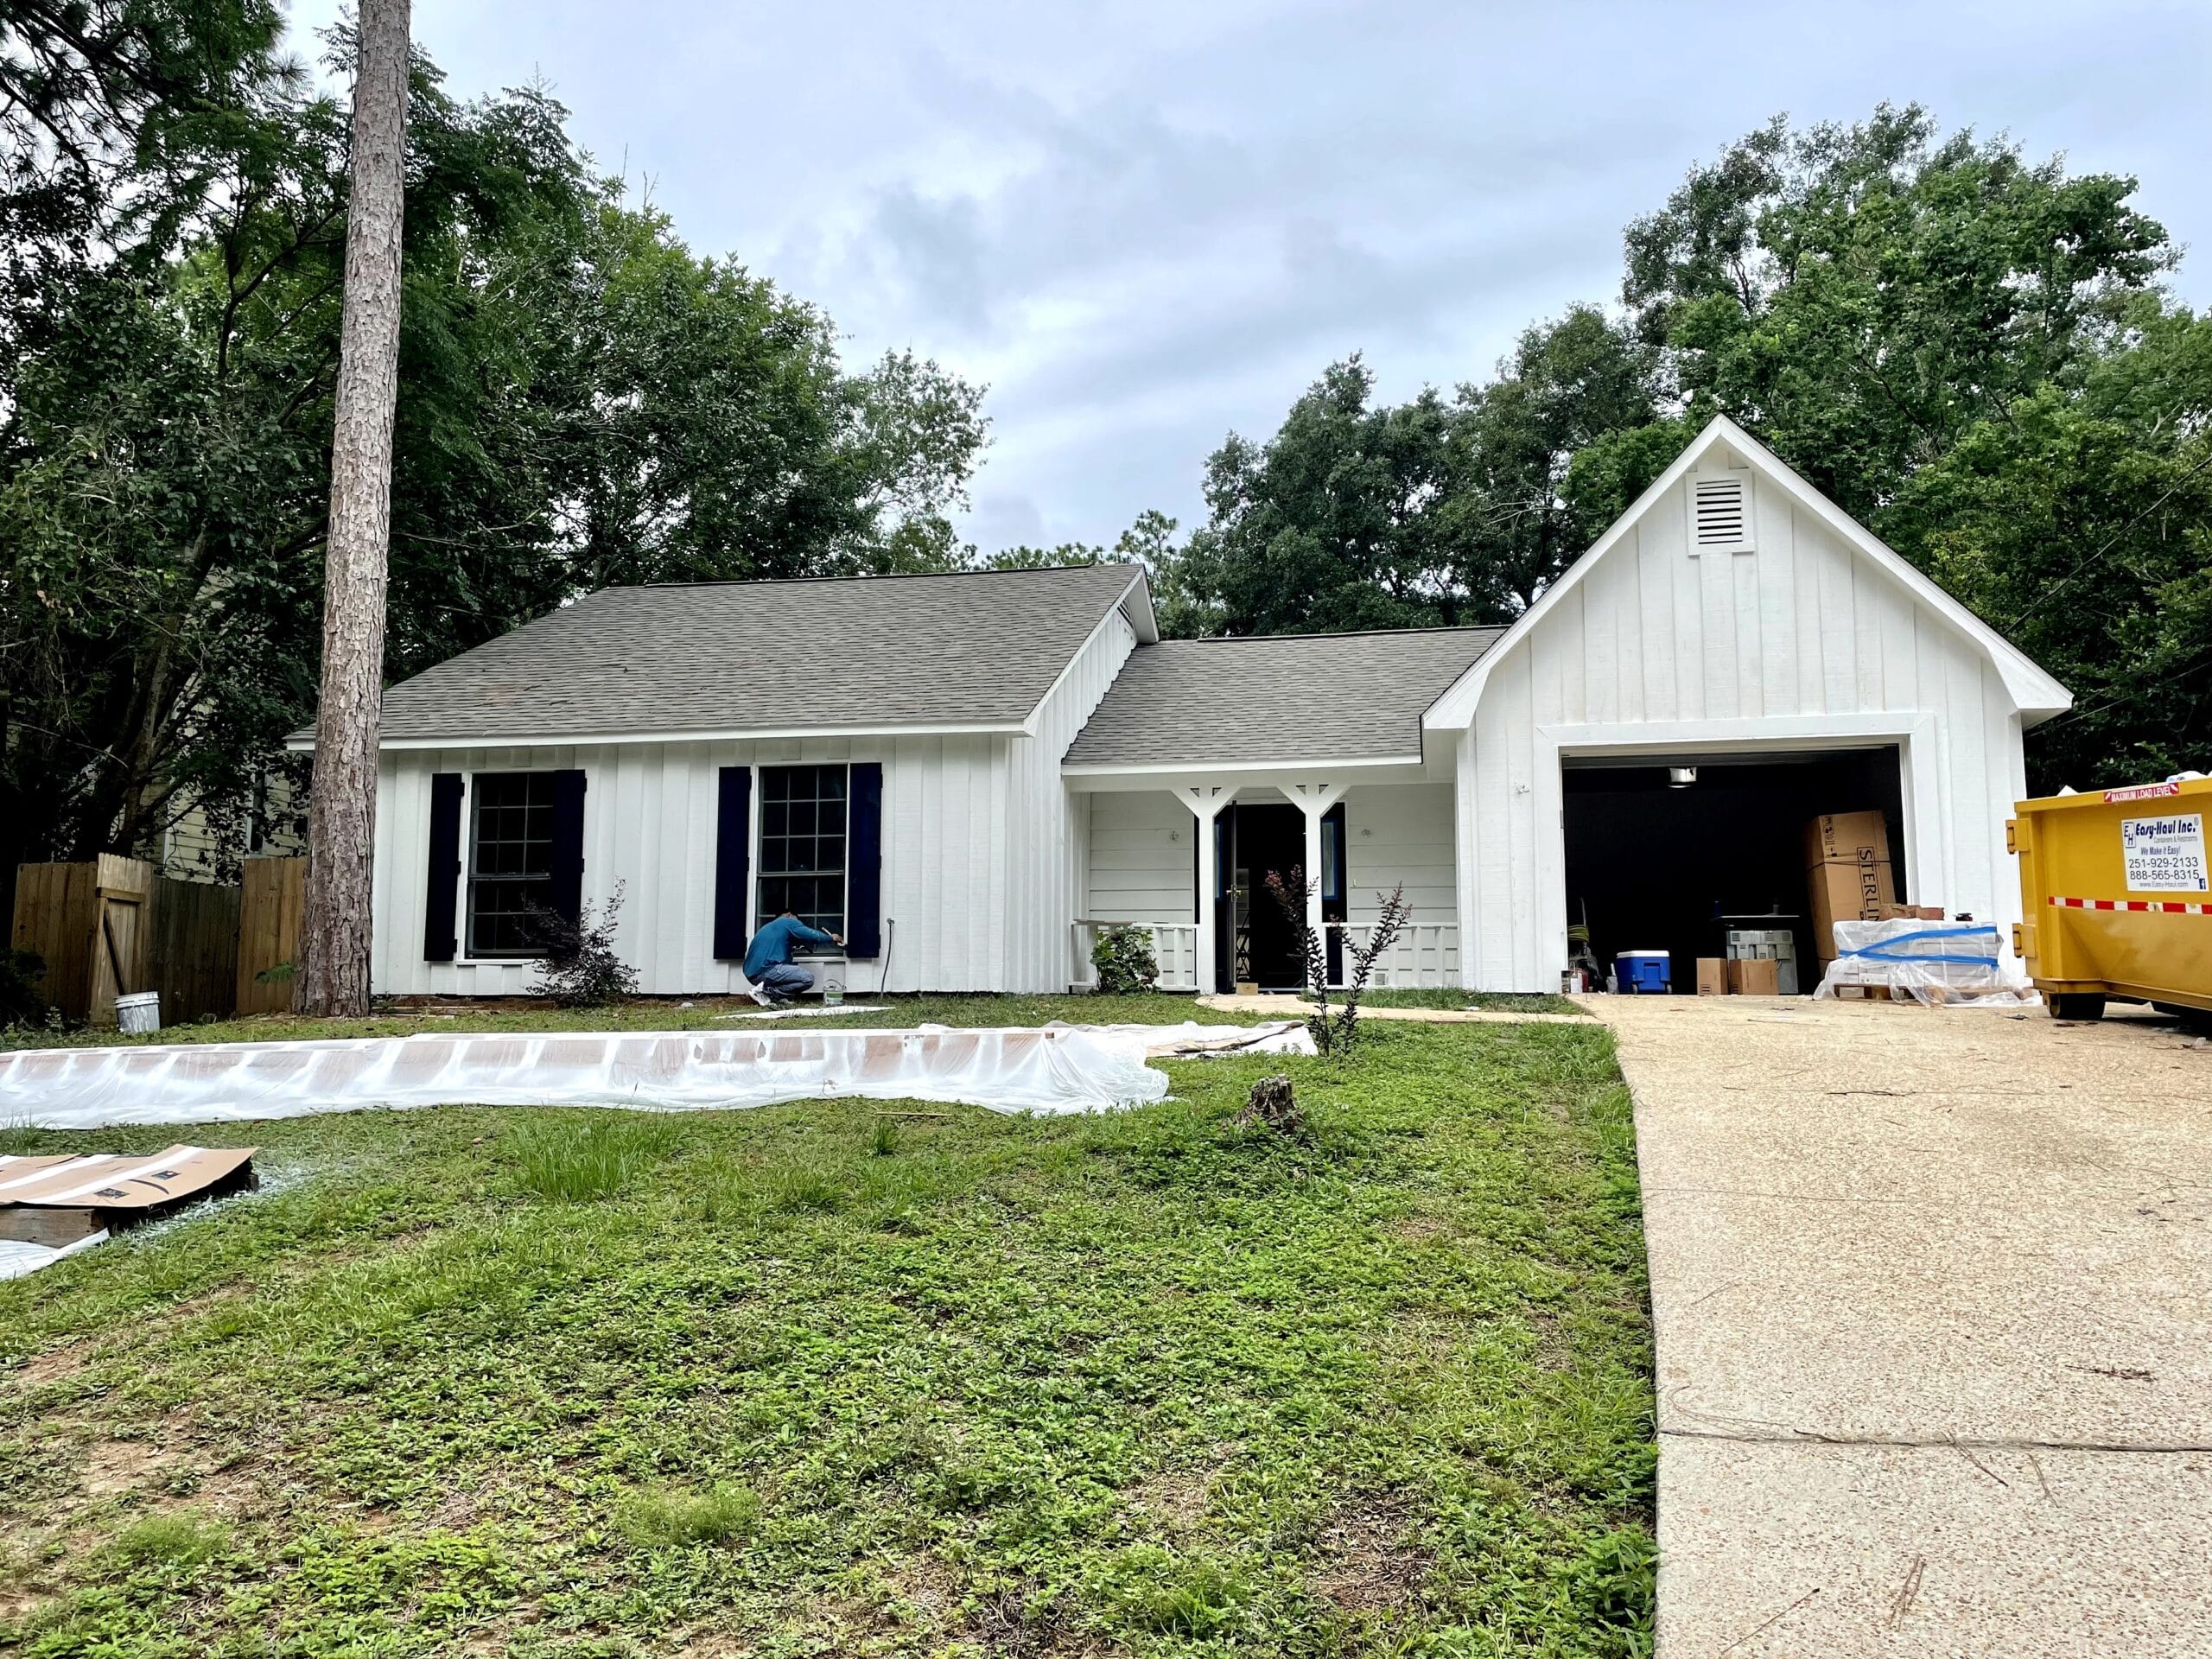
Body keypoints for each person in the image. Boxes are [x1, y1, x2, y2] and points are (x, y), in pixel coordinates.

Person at [743, 910, 842, 1005]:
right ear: (789, 915)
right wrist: (830, 937)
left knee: (789, 965)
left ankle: (776, 997)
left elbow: (785, 959)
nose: (799, 924)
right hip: (766, 970)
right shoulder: (787, 921)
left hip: (753, 975)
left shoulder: (769, 928)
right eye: (798, 921)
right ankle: (766, 992)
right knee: (807, 979)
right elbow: (810, 934)